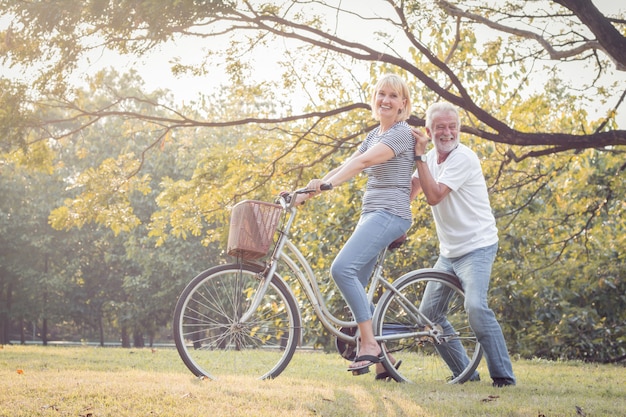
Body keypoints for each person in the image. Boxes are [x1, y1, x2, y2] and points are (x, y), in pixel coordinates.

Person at [298, 74, 415, 376]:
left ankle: (370, 345)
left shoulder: (402, 133)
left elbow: (362, 164)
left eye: (393, 95)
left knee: (341, 269)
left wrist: (329, 185)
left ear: (403, 103)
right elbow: (351, 160)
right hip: (372, 213)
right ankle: (384, 362)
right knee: (356, 286)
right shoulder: (375, 133)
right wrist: (314, 186)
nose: (385, 100)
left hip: (390, 212)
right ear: (374, 99)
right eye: (381, 94)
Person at [410, 102, 516, 387]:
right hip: (449, 251)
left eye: (452, 126)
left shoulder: (463, 158)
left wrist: (418, 157)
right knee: (427, 316)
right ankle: (465, 372)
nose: (447, 132)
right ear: (429, 130)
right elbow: (413, 189)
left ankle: (504, 377)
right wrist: (393, 216)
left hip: (477, 247)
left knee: (476, 307)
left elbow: (433, 196)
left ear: (458, 129)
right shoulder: (430, 158)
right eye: (441, 127)